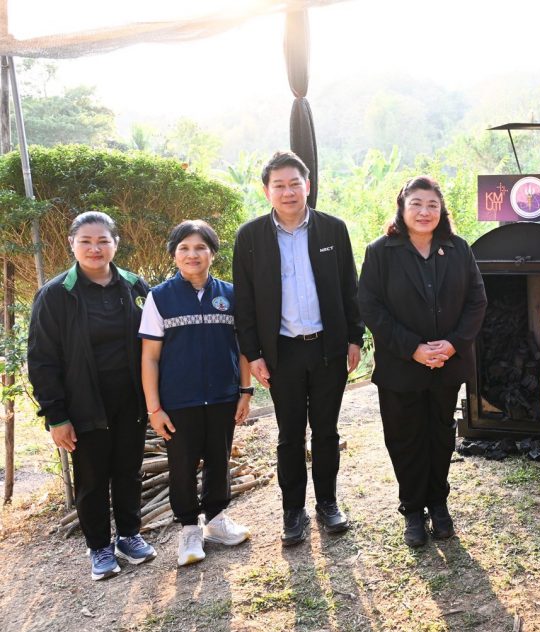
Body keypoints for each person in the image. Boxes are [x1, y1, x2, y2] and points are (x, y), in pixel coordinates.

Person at [233, 151, 365, 546]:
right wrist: (254, 353)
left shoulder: (332, 230)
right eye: (279, 185)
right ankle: (293, 512)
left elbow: (349, 287)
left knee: (326, 431)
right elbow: (245, 303)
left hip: (328, 348)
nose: (288, 192)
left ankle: (328, 503)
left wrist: (354, 337)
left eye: (295, 183)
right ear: (267, 191)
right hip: (282, 353)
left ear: (307, 185)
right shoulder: (251, 237)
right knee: (290, 434)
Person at [357, 176, 487, 547]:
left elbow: (477, 301)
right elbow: (370, 306)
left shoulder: (458, 248)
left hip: (447, 363)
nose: (424, 212)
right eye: (416, 203)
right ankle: (412, 509)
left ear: (442, 210)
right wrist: (413, 348)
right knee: (405, 437)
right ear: (402, 208)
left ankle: (438, 503)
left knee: (440, 435)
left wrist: (453, 344)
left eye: (432, 205)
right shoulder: (381, 252)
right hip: (401, 366)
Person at [27, 211, 156, 580]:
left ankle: (129, 535)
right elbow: (42, 360)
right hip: (83, 405)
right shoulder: (56, 294)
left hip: (131, 401)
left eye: (103, 241)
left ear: (116, 244)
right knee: (92, 478)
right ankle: (99, 546)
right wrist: (56, 416)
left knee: (129, 471)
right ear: (72, 244)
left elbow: (155, 342)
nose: (95, 248)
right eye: (86, 241)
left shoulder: (135, 286)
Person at [139, 220, 253, 566]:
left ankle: (216, 521)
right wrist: (154, 409)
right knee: (182, 465)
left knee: (219, 458)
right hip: (178, 401)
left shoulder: (231, 295)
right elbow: (150, 357)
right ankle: (189, 529)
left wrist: (245, 390)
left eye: (201, 247)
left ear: (212, 254)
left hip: (223, 396)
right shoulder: (160, 298)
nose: (193, 254)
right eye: (184, 248)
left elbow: (243, 347)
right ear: (174, 254)